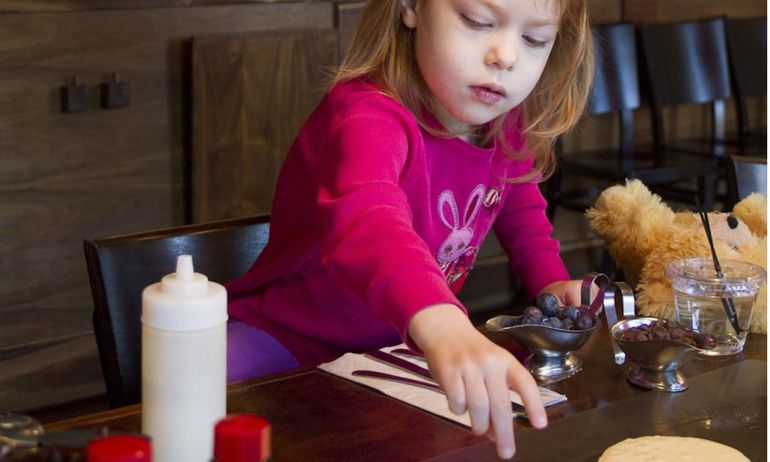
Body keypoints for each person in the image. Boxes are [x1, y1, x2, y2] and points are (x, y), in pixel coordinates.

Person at [226, 0, 594, 458]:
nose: (506, 55)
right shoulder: (367, 113)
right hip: (287, 339)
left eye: (534, 39)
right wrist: (441, 320)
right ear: (411, 6)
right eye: (479, 22)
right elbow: (369, 217)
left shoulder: (507, 127)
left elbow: (521, 210)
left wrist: (551, 281)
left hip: (399, 350)